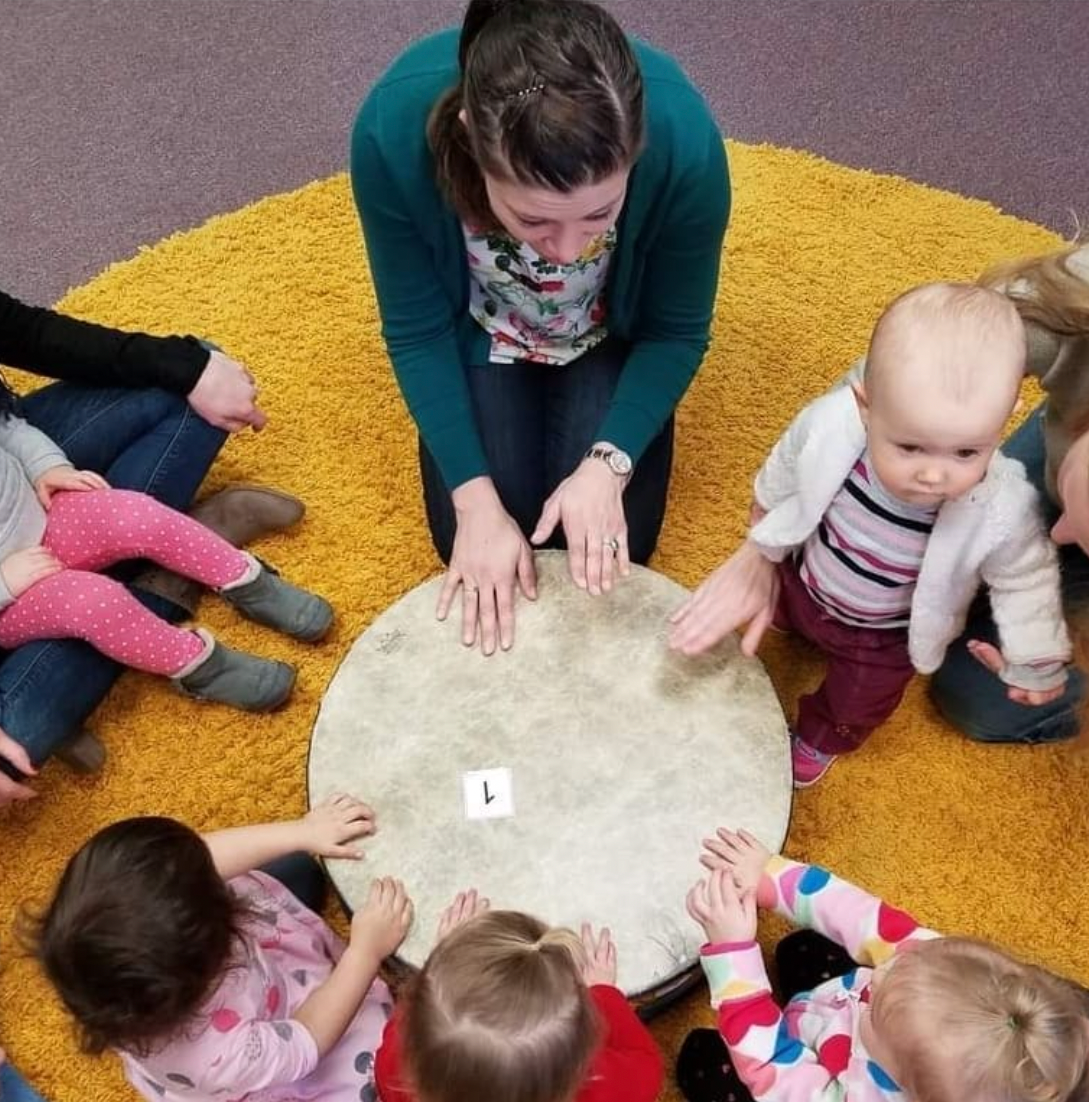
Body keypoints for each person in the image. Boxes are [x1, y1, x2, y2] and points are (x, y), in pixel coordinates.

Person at [351, 0, 729, 656]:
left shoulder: (686, 142)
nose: (564, 249)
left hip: (609, 335)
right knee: (476, 548)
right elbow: (416, 332)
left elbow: (675, 331)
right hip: (483, 333)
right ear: (471, 139)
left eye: (599, 214)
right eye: (532, 221)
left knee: (608, 561)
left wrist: (607, 467)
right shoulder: (390, 129)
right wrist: (474, 505)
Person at [671, 282, 1069, 786]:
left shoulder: (1002, 505)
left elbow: (1026, 579)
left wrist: (1035, 652)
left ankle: (820, 737)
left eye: (967, 453)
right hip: (807, 578)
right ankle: (790, 621)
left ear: (1005, 420)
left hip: (885, 635)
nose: (934, 475)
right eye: (909, 447)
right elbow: (791, 456)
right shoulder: (834, 423)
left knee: (859, 700)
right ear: (865, 404)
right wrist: (764, 516)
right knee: (758, 616)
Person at [0, 290, 302, 803]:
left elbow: (14, 410)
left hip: (38, 517)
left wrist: (49, 467)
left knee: (194, 374)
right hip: (13, 599)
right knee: (24, 735)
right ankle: (181, 564)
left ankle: (171, 560)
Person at [26, 796, 412, 1102]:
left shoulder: (103, 940)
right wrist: (365, 951)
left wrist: (302, 831)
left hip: (237, 983)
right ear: (219, 951)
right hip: (275, 1055)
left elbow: (199, 857)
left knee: (298, 864)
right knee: (391, 1054)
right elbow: (306, 1039)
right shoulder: (214, 1056)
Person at [679, 827, 1088, 1102]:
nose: (886, 967)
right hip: (833, 1017)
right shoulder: (943, 967)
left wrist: (734, 955)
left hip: (819, 1071)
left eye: (877, 1007)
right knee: (804, 948)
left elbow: (772, 1068)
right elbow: (861, 915)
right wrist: (771, 876)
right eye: (898, 967)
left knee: (707, 1066)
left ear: (903, 1080)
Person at [0, 390, 333, 709]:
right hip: (10, 592)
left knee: (136, 514)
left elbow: (9, 427)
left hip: (41, 512)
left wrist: (46, 466)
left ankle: (248, 583)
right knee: (94, 603)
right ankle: (201, 668)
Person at [930, 243, 1089, 742]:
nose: (1056, 534)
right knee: (913, 543)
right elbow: (919, 354)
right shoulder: (1075, 299)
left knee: (978, 697)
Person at [373, 888, 663, 1102]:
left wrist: (441, 968)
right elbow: (646, 1064)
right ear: (579, 1058)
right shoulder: (603, 1086)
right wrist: (603, 994)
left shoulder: (399, 1070)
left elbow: (421, 1021)